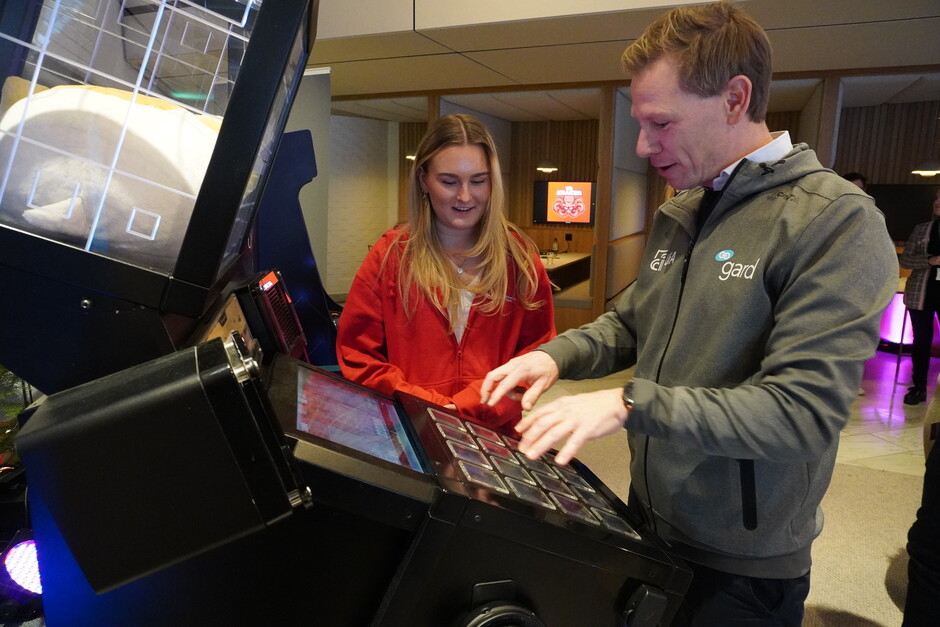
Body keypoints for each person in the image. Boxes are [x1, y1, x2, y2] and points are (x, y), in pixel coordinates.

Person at [480, 2, 898, 624]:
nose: (645, 146)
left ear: (734, 98)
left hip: (740, 561)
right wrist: (553, 353)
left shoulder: (833, 220)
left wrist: (627, 403)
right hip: (650, 515)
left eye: (661, 123)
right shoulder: (682, 210)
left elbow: (803, 413)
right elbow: (632, 324)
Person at [336, 113, 555, 429]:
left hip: (496, 434)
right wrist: (434, 410)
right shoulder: (390, 256)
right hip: (414, 430)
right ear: (424, 179)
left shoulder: (519, 259)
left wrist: (462, 408)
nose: (465, 196)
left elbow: (537, 354)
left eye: (478, 181)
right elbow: (360, 358)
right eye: (449, 181)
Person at [899, 189, 940, 405]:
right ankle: (919, 388)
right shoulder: (922, 229)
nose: (937, 202)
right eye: (936, 197)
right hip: (921, 294)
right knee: (921, 343)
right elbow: (905, 261)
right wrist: (930, 261)